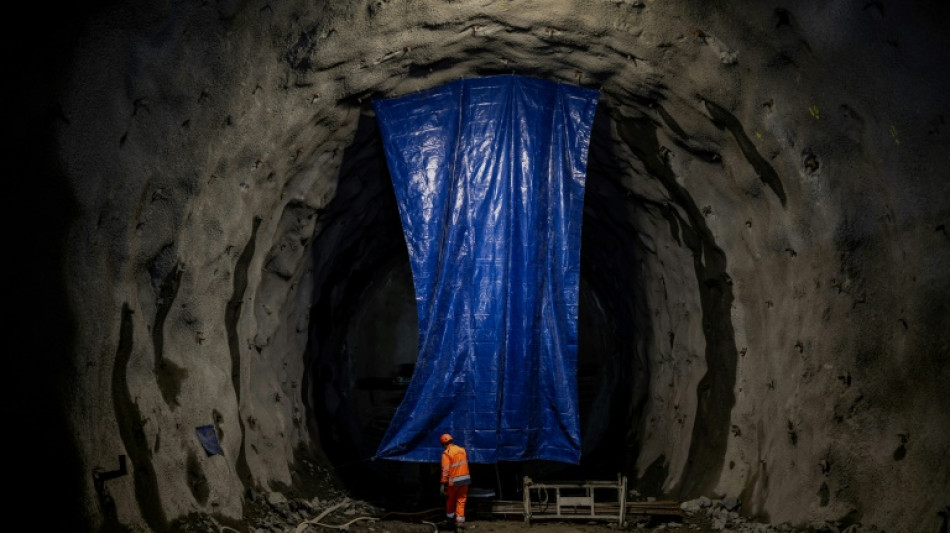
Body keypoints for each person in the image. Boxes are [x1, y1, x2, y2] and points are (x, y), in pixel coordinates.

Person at [439, 433, 470, 529]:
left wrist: (443, 484)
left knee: (451, 500)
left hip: (454, 482)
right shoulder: (462, 450)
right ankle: (460, 522)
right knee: (461, 501)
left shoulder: (446, 453)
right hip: (465, 480)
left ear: (444, 444)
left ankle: (449, 520)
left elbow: (445, 470)